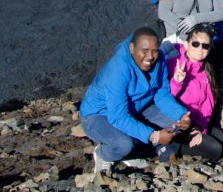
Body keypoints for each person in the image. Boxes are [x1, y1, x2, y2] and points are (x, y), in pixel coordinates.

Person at [80, 27, 192, 174]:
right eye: (144, 51)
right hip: (100, 114)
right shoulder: (118, 69)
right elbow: (118, 116)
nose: (150, 56)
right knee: (123, 144)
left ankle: (129, 152)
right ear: (132, 48)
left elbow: (161, 95)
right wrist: (154, 136)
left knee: (174, 125)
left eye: (154, 50)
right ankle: (104, 154)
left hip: (137, 108)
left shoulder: (159, 59)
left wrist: (181, 115)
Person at [160, 24, 223, 162]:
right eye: (195, 44)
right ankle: (172, 147)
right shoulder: (172, 65)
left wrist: (200, 128)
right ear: (186, 44)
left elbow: (208, 103)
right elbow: (163, 100)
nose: (200, 49)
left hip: (198, 122)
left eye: (205, 46)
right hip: (179, 124)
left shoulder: (206, 69)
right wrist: (177, 83)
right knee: (216, 149)